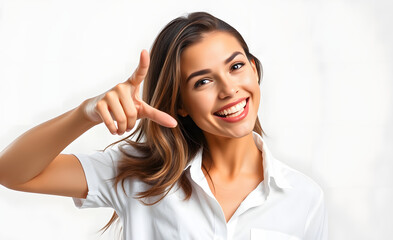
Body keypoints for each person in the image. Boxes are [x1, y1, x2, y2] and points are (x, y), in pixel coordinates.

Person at [0, 12, 327, 240]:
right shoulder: (141, 174)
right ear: (180, 104)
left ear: (254, 70)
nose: (229, 91)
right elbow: (13, 172)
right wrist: (86, 113)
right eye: (203, 82)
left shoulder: (304, 198)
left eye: (236, 66)